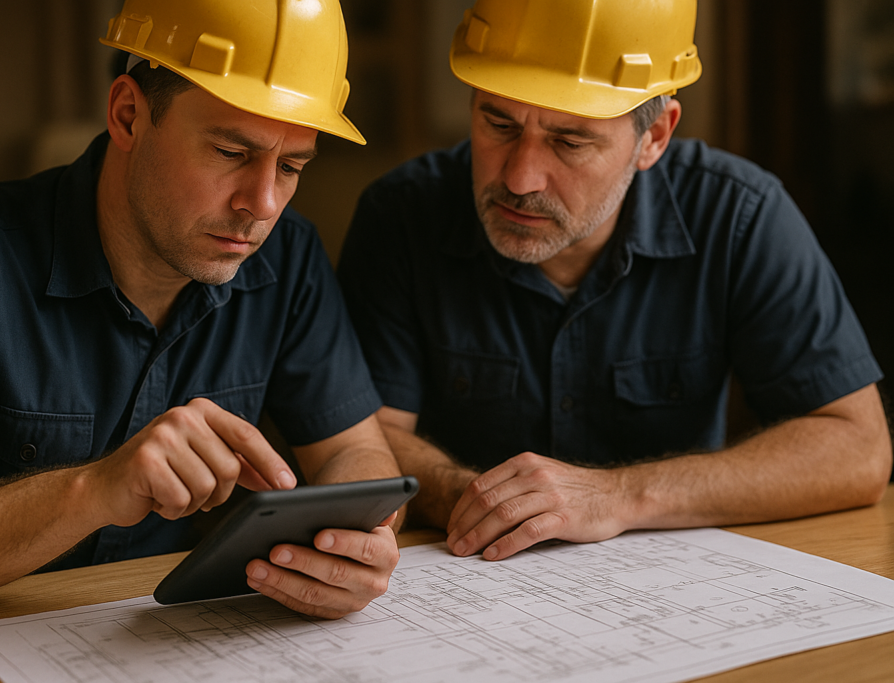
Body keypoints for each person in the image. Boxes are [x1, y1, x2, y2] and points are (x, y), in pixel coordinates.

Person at [0, 0, 402, 619]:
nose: (261, 204)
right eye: (230, 152)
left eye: (290, 167)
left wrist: (354, 537)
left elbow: (355, 452)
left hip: (163, 635)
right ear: (128, 115)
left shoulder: (290, 258)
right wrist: (92, 490)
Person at [337, 0, 892, 563]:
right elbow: (357, 439)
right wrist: (475, 497)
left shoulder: (740, 217)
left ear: (654, 137)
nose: (520, 176)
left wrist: (619, 495)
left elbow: (858, 449)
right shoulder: (401, 217)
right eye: (498, 123)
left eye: (570, 141)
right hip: (465, 577)